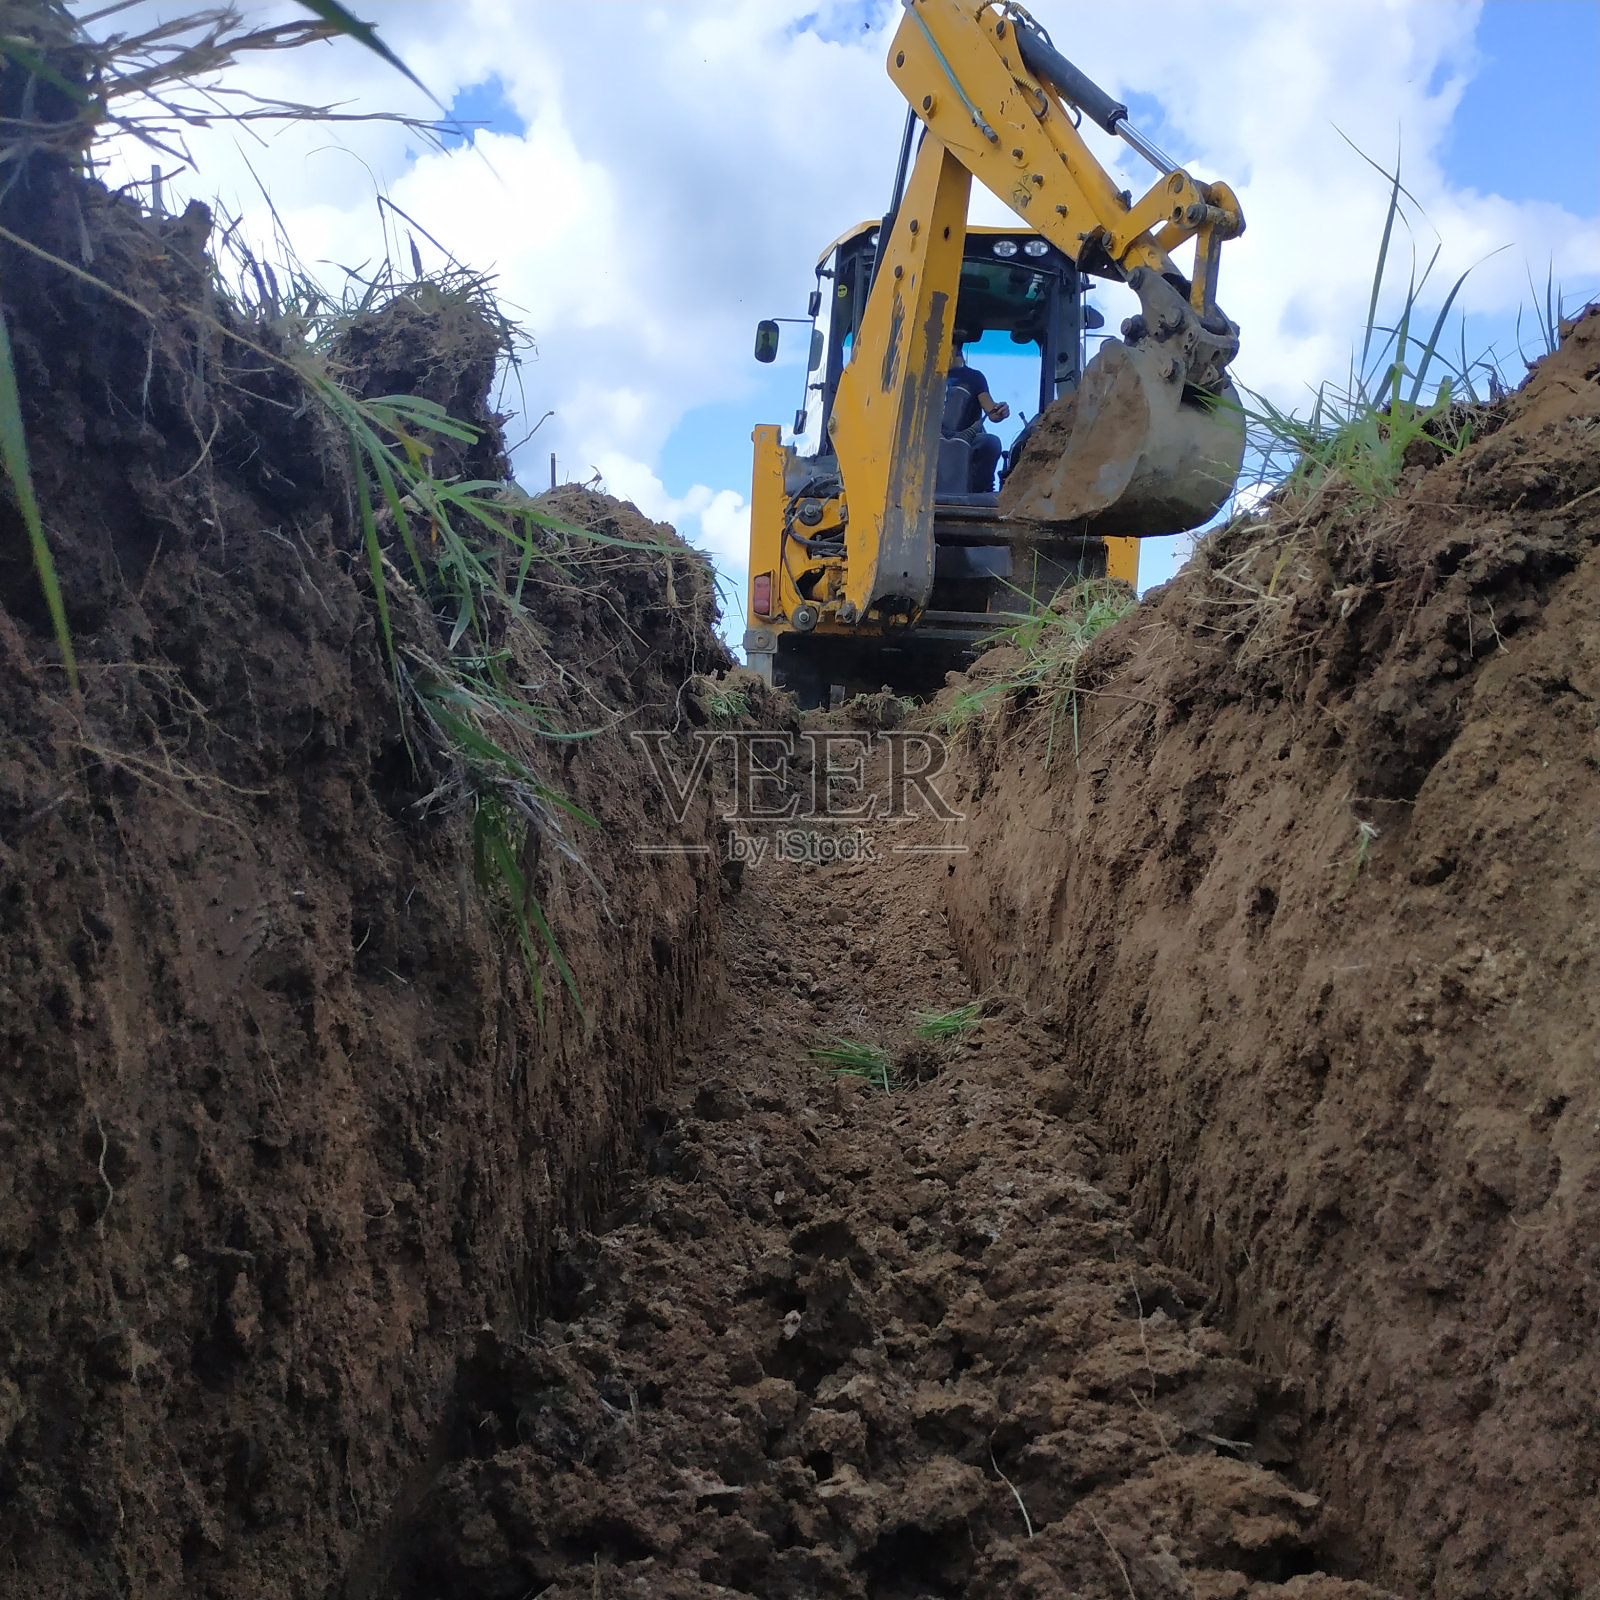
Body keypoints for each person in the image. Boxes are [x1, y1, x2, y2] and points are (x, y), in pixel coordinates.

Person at [944, 336, 1010, 492]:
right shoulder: (927, 375)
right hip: (933, 438)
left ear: (956, 349)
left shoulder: (973, 377)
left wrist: (1001, 410)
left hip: (965, 438)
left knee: (990, 443)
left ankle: (979, 493)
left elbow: (992, 412)